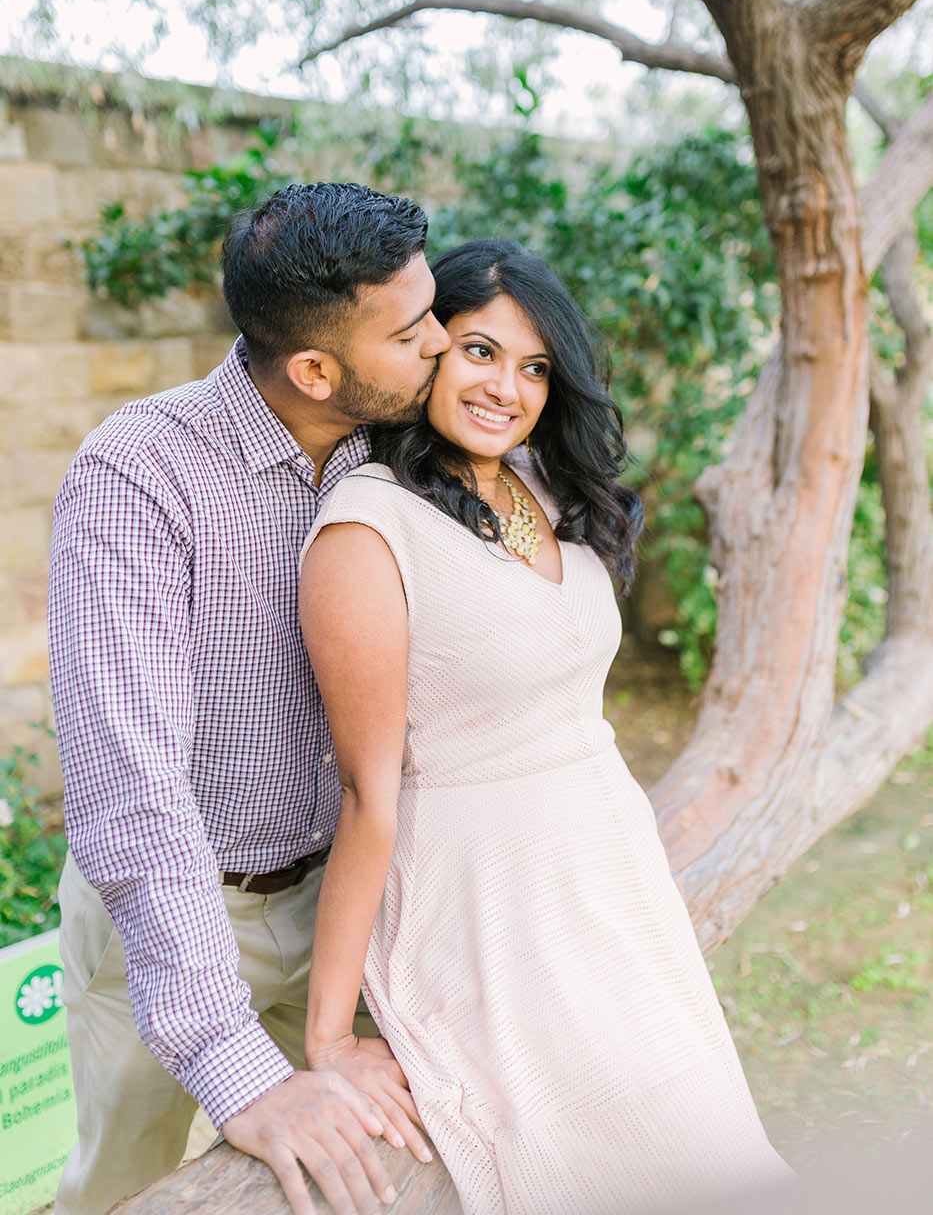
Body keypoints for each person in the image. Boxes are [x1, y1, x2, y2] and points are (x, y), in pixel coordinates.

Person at [298, 238, 794, 1215]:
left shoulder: (535, 484)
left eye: (534, 367)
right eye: (481, 350)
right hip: (485, 900)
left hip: (610, 877)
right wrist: (327, 1034)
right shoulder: (368, 527)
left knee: (702, 1132)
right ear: (427, 348)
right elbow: (366, 790)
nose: (508, 387)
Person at [47, 182, 448, 1215]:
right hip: (171, 914)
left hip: (345, 902)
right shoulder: (135, 475)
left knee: (366, 1173)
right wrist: (231, 1060)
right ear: (316, 368)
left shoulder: (398, 446)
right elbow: (130, 791)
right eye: (411, 330)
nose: (441, 342)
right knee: (124, 1185)